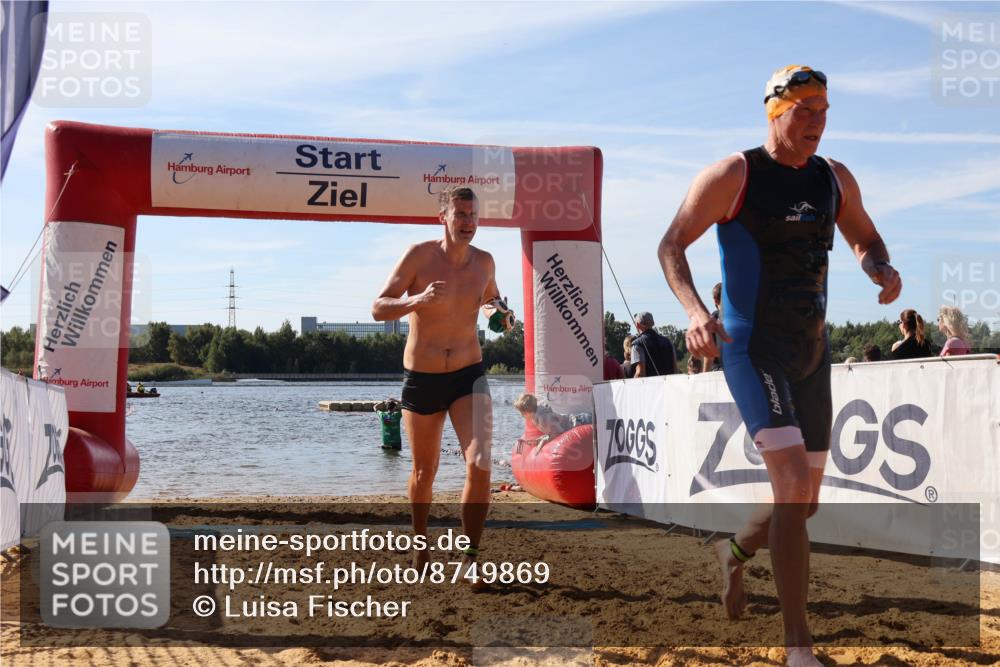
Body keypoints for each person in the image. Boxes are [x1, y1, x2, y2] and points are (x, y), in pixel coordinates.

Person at [657, 65, 901, 667]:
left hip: (812, 354)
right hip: (750, 347)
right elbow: (670, 245)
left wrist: (880, 269)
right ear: (775, 112)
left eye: (825, 111)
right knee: (791, 485)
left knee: (805, 502)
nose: (818, 122)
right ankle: (800, 649)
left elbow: (866, 239)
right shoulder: (733, 176)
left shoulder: (834, 178)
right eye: (806, 111)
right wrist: (693, 312)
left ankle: (734, 552)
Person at [372, 185, 510, 573]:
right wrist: (416, 300)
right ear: (444, 218)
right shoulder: (419, 256)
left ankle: (470, 559)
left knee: (480, 462)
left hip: (469, 374)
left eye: (474, 216)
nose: (468, 223)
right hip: (423, 377)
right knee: (423, 471)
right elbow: (378, 307)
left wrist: (498, 314)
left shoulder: (485, 262)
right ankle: (420, 545)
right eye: (461, 215)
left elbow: (492, 302)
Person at [513, 393, 591, 444]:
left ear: (527, 412)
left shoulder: (543, 419)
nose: (522, 415)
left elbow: (559, 433)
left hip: (583, 421)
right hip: (581, 420)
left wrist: (544, 440)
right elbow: (552, 433)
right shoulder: (538, 417)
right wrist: (536, 441)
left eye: (522, 412)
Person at [630, 312, 678, 377]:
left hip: (650, 386)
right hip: (668, 385)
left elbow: (640, 373)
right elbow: (675, 369)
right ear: (653, 323)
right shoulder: (668, 342)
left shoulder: (637, 344)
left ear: (637, 325)